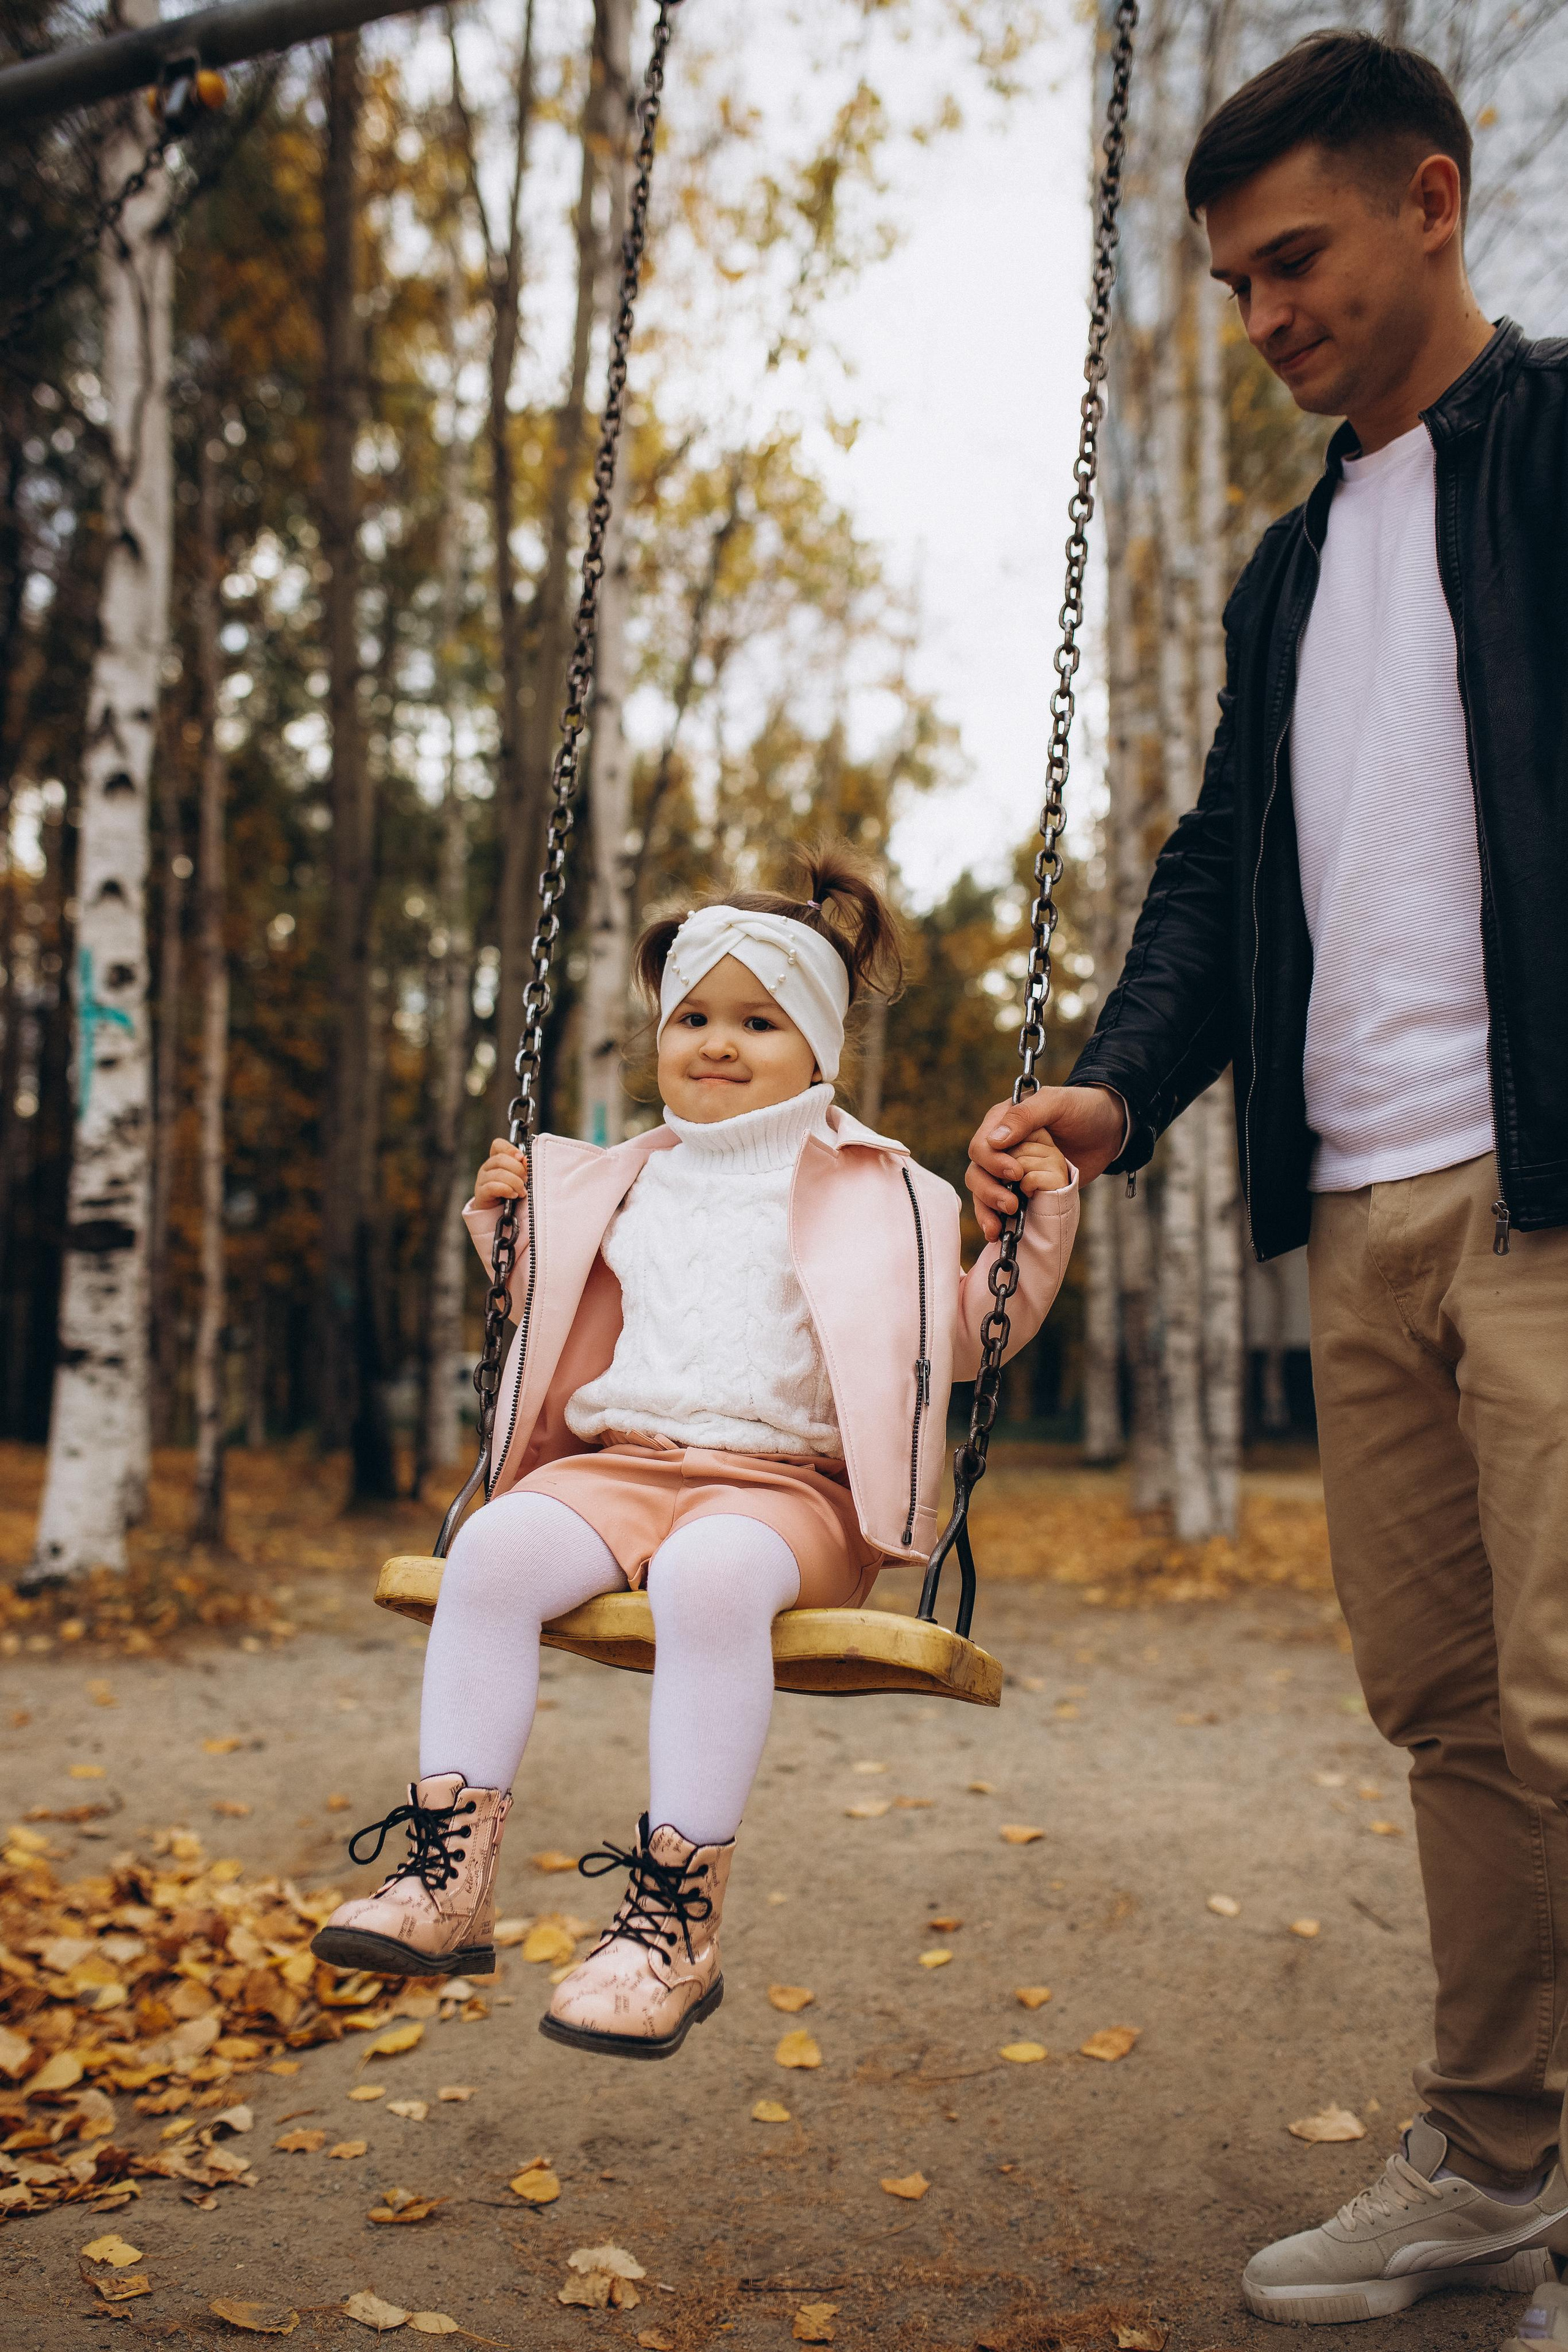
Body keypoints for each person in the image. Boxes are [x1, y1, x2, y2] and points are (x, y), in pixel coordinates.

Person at [966, 30, 1568, 2344]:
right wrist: (1116, 1093)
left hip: (1550, 1181)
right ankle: (1497, 2162)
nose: (1264, 317)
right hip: (1364, 1203)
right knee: (1450, 1708)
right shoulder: (1290, 570)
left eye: (1292, 259)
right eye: (1229, 285)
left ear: (1435, 195)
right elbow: (1228, 870)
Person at [313, 846, 1077, 2060]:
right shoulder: (616, 1177)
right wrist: (505, 1236)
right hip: (617, 1465)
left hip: (787, 1498)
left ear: (820, 1051)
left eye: (758, 1022)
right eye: (696, 1017)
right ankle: (446, 1877)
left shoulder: (890, 1193)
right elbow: (554, 1311)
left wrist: (1030, 1235)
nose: (718, 1042)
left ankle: (671, 1925)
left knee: (707, 1576)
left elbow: (961, 1344)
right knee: (496, 1549)